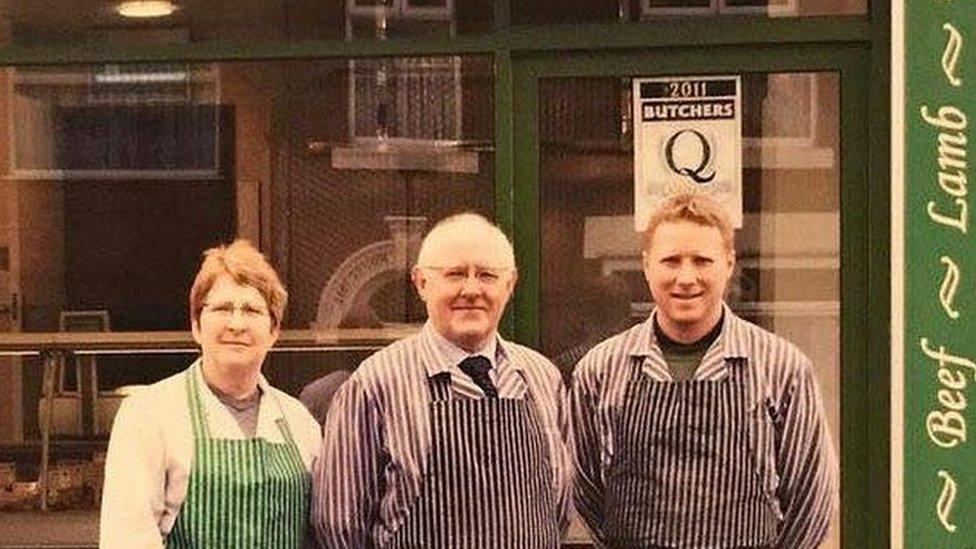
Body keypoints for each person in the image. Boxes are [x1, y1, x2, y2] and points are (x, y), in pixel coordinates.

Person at [571, 193, 837, 548]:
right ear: (647, 265)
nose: (686, 277)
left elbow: (812, 501)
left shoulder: (782, 369)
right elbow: (587, 493)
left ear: (728, 264)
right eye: (671, 261)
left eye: (701, 261)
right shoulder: (600, 371)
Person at [311, 212, 573, 548]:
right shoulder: (374, 385)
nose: (472, 289)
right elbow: (339, 525)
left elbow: (559, 507)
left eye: (488, 275)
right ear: (421, 283)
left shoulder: (542, 377)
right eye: (455, 274)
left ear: (509, 285)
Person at [100, 239, 321, 548]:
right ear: (196, 325)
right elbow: (127, 539)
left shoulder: (300, 422)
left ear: (273, 331)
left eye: (252, 310)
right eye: (222, 308)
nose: (236, 323)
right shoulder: (148, 416)